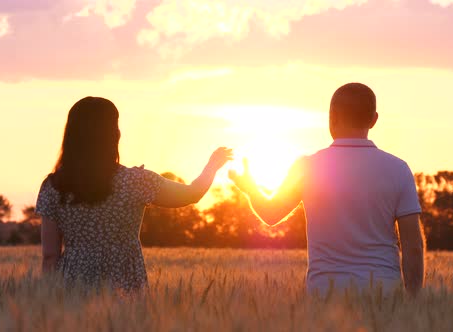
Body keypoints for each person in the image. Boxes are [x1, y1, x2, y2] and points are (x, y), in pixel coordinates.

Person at [229, 83, 425, 296]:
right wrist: (413, 304)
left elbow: (270, 214)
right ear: (374, 119)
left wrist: (250, 188)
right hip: (384, 293)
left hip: (325, 295)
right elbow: (412, 245)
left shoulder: (307, 167)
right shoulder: (398, 168)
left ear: (332, 116)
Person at [36, 96, 233, 293]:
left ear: (71, 135)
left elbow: (50, 256)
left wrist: (47, 301)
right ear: (114, 134)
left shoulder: (53, 186)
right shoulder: (136, 181)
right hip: (125, 282)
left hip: (72, 285)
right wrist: (212, 166)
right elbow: (191, 194)